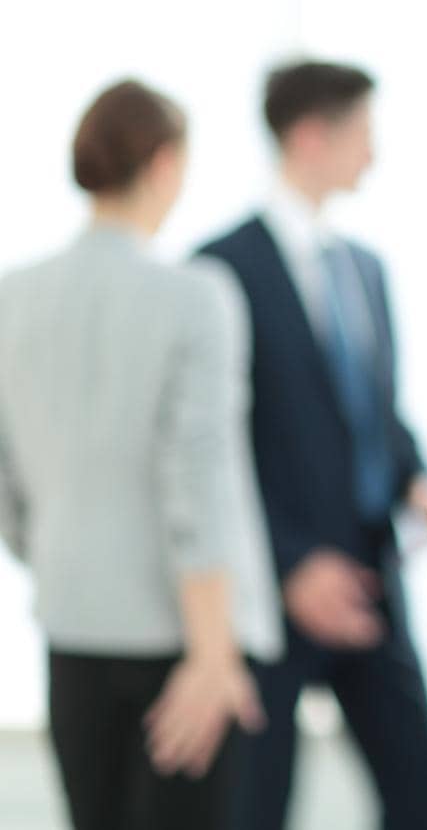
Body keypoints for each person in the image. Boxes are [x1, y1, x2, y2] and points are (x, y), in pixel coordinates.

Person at [0, 79, 281, 830]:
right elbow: (199, 482)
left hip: (72, 625)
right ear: (164, 164)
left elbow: (6, 485)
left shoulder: (10, 296)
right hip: (178, 645)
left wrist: (55, 550)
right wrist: (213, 655)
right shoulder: (196, 295)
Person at [196, 60, 427, 830]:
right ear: (312, 135)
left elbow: (375, 409)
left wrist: (417, 475)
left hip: (371, 575)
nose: (373, 156)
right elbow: (213, 449)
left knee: (422, 791)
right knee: (255, 806)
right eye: (362, 136)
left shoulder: (363, 269)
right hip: (273, 588)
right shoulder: (220, 270)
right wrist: (288, 564)